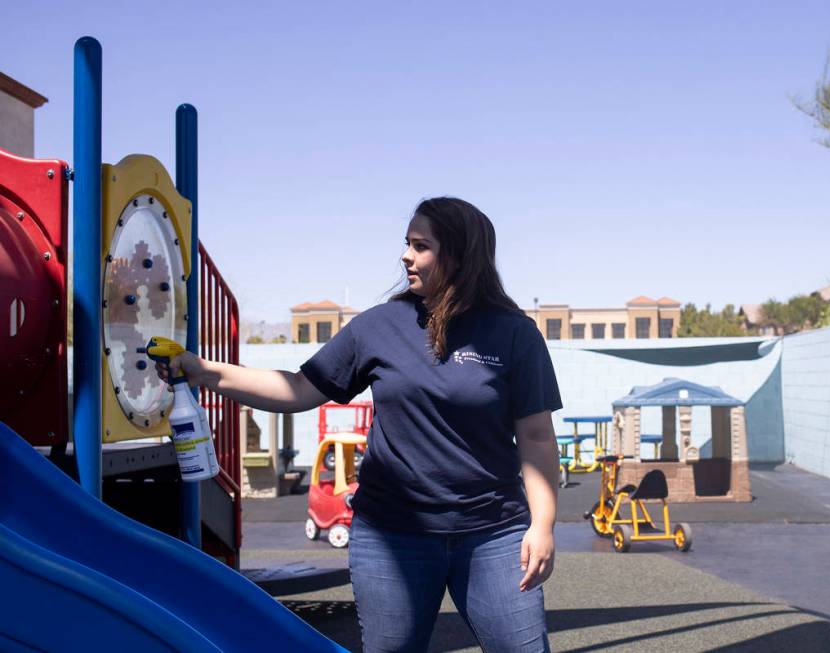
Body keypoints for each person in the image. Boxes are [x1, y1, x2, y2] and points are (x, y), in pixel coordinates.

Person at [157, 197, 562, 652]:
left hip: (493, 534)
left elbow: (536, 436)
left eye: (420, 246)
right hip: (393, 534)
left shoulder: (513, 333)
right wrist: (205, 372)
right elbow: (298, 389)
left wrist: (542, 523)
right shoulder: (378, 327)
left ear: (459, 256)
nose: (406, 255)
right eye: (406, 244)